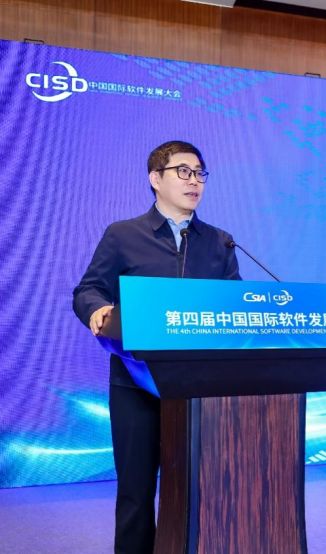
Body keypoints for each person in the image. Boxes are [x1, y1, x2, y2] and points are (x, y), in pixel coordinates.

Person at [72, 140, 240, 553]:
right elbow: (88, 289)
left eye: (199, 173)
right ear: (155, 179)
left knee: (198, 491)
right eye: (183, 172)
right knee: (136, 491)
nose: (194, 181)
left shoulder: (220, 242)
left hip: (199, 388)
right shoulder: (123, 235)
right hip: (136, 382)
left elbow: (234, 306)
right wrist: (96, 309)